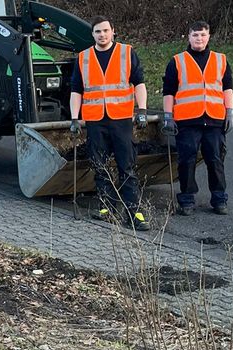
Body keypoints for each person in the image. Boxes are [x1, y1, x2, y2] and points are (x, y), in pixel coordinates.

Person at [69, 16, 151, 231]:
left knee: (127, 165)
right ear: (92, 34)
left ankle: (134, 212)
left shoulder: (126, 52)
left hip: (121, 119)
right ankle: (107, 208)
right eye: (98, 31)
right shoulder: (83, 58)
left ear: (113, 31)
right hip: (95, 120)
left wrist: (142, 110)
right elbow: (76, 90)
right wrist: (74, 118)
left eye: (106, 30)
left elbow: (139, 83)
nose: (102, 35)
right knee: (100, 165)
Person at [161, 21, 233, 216]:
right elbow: (169, 91)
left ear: (208, 37)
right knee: (186, 160)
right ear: (189, 37)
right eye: (195, 35)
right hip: (187, 120)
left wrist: (230, 111)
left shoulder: (221, 60)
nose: (199, 39)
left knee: (215, 159)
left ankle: (219, 199)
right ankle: (186, 199)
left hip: (214, 119)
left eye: (202, 35)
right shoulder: (177, 61)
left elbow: (227, 87)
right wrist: (168, 116)